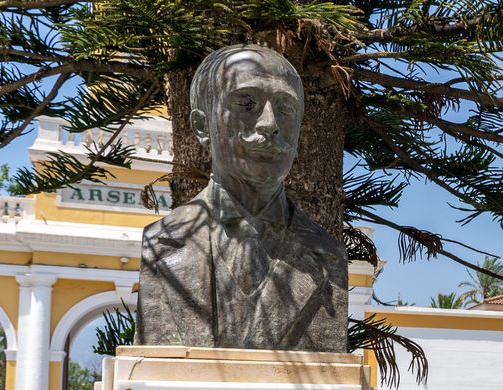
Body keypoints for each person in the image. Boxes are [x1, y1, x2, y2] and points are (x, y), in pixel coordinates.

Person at [136, 44, 348, 352]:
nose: (269, 125)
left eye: (285, 108)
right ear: (200, 125)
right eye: (246, 103)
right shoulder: (161, 243)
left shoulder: (327, 255)